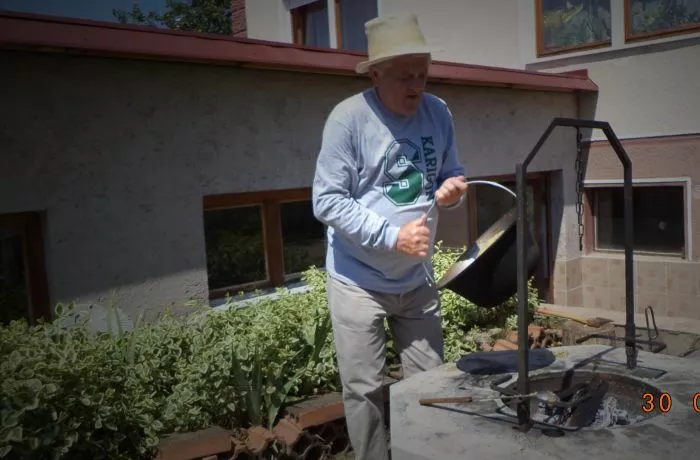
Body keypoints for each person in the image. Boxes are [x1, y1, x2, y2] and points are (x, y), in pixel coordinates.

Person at [311, 13, 467, 460]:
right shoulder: (348, 120)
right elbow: (326, 201)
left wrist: (452, 192)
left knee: (430, 380)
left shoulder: (438, 112)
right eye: (404, 76)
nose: (416, 85)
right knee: (365, 390)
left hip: (416, 278)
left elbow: (452, 173)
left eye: (422, 74)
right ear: (376, 75)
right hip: (358, 280)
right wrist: (391, 236)